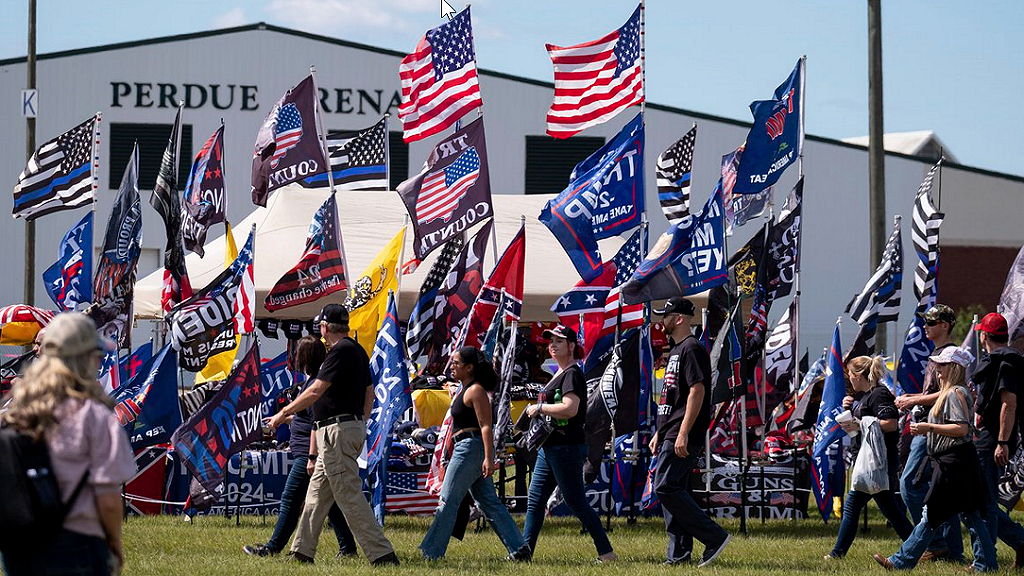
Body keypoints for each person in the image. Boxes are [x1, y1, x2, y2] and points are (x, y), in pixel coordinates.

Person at [0, 313, 136, 576]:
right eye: (96, 355)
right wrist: (115, 543)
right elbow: (108, 498)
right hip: (78, 543)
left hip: (19, 543)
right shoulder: (94, 416)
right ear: (82, 358)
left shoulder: (15, 412)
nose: (99, 362)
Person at [267, 304, 399, 566]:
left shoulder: (339, 352)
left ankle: (382, 555)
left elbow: (316, 390)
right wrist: (359, 422)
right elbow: (369, 392)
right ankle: (301, 552)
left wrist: (283, 413)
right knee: (316, 495)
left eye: (322, 328)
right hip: (342, 429)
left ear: (325, 327)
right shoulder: (357, 350)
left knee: (349, 495)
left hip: (336, 431)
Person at [875, 346, 996, 571]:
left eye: (941, 365)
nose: (936, 370)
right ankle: (986, 564)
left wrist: (928, 427)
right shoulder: (956, 392)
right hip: (958, 461)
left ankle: (900, 562)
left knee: (931, 514)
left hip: (954, 462)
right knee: (971, 515)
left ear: (953, 368)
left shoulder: (954, 394)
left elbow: (961, 429)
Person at [244, 335, 357, 559]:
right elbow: (306, 418)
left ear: (304, 356)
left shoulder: (316, 383)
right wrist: (283, 420)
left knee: (290, 499)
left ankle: (272, 547)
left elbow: (317, 422)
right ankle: (348, 548)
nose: (294, 357)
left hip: (308, 452)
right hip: (307, 450)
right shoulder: (312, 381)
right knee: (330, 504)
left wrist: (312, 457)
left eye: (297, 353)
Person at [419, 346, 530, 561]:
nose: (451, 366)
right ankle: (519, 549)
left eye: (456, 363)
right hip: (466, 448)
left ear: (469, 368)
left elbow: (486, 426)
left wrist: (489, 458)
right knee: (488, 502)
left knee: (448, 500)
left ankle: (431, 552)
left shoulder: (476, 390)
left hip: (469, 449)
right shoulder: (466, 389)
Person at [522, 325, 616, 563]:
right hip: (549, 446)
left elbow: (570, 408)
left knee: (575, 501)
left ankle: (606, 553)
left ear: (572, 346)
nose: (552, 345)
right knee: (535, 501)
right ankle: (523, 554)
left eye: (559, 341)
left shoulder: (572, 374)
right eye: (550, 341)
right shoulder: (559, 372)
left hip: (566, 446)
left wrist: (539, 408)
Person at [648, 297, 731, 567]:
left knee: (665, 487)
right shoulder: (675, 351)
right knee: (676, 489)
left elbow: (698, 390)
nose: (662, 319)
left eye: (666, 315)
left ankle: (714, 536)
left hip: (683, 433)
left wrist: (682, 432)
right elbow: (673, 397)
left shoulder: (692, 348)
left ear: (680, 318)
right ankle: (679, 554)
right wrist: (660, 432)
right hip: (670, 430)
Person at [827, 355, 914, 559]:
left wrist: (860, 423)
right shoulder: (865, 396)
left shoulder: (879, 394)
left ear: (858, 375)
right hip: (869, 460)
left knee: (855, 507)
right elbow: (865, 421)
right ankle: (917, 547)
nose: (849, 380)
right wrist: (850, 410)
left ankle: (836, 554)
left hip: (878, 461)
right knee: (889, 510)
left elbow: (891, 423)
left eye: (851, 376)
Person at [894, 304, 962, 562]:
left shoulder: (950, 354)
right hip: (930, 427)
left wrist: (914, 402)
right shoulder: (936, 353)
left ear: (944, 325)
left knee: (909, 484)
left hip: (934, 430)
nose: (925, 327)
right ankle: (953, 552)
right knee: (944, 493)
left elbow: (951, 390)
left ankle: (935, 543)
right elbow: (935, 392)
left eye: (931, 323)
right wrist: (913, 397)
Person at [971, 312, 1024, 567]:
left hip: (992, 441)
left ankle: (985, 560)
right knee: (985, 501)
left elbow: (1009, 404)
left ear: (984, 336)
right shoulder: (1001, 360)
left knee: (984, 503)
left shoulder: (1005, 363)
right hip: (990, 439)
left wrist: (1002, 442)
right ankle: (1018, 545)